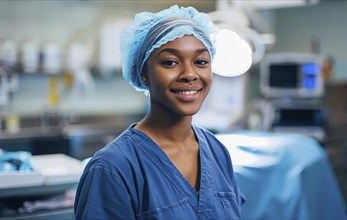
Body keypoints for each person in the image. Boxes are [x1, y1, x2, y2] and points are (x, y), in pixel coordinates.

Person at [74, 5, 245, 219]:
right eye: (170, 62)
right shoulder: (113, 168)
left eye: (201, 62)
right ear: (144, 73)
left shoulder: (217, 152)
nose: (190, 74)